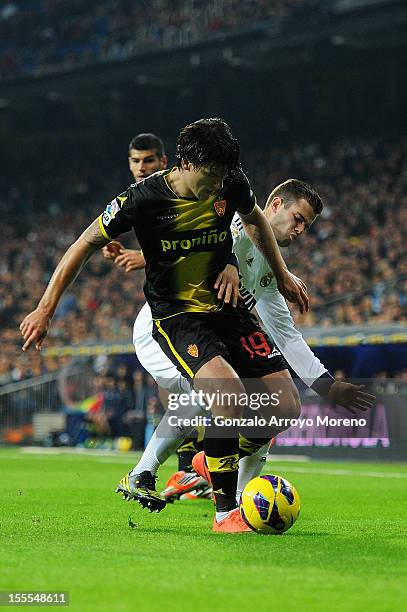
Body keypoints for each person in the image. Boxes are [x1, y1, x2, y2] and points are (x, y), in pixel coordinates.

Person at [20, 117, 308, 533]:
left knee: (285, 406)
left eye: (223, 178)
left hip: (230, 308)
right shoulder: (141, 200)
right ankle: (226, 514)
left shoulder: (230, 180)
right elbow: (82, 245)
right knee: (226, 395)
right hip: (179, 317)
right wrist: (45, 309)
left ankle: (208, 458)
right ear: (186, 163)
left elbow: (256, 219)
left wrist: (281, 275)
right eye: (211, 178)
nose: (217, 188)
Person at [116, 179, 375, 515]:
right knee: (216, 391)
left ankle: (236, 494)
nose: (301, 231)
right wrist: (146, 255)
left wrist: (327, 385)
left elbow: (286, 333)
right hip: (162, 330)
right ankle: (144, 472)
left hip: (210, 334)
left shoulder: (269, 265)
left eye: (306, 227)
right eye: (298, 219)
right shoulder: (228, 231)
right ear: (277, 204)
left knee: (267, 396)